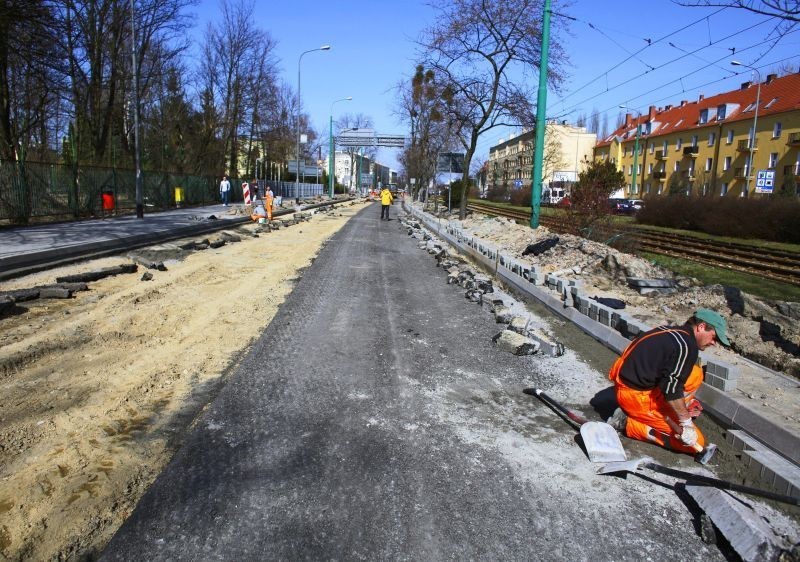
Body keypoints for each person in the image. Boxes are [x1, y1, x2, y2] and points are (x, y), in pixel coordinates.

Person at [607, 308, 730, 456]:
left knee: (695, 373)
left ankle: (669, 409)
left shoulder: (672, 332)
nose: (713, 343)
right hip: (635, 398)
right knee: (694, 442)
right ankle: (627, 423)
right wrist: (686, 423)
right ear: (702, 327)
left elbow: (668, 377)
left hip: (630, 384)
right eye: (714, 337)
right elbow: (672, 388)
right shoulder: (686, 346)